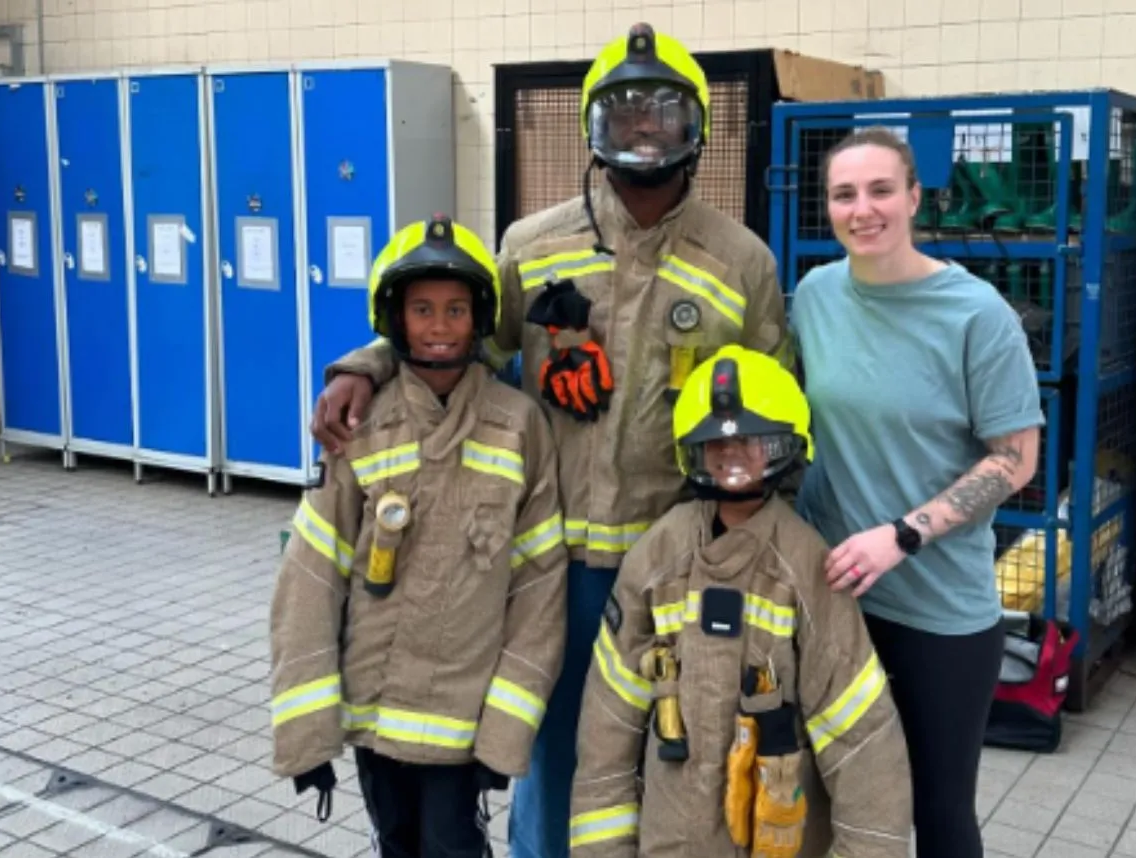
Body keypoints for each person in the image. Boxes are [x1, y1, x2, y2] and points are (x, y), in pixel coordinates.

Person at [309, 23, 791, 858]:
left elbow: (774, 411)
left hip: (677, 564)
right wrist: (365, 363)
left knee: (681, 758)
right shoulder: (532, 247)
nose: (643, 132)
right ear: (594, 130)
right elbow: (456, 337)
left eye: (662, 115)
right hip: (550, 571)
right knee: (555, 766)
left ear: (696, 130)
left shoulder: (741, 261)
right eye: (624, 115)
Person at [268, 214, 568, 858]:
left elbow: (540, 592)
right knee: (396, 843)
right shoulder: (361, 424)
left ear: (480, 317)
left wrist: (503, 738)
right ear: (394, 318)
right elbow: (310, 579)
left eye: (456, 309)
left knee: (452, 846)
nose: (438, 326)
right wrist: (308, 735)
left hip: (465, 726)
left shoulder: (519, 428)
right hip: (377, 720)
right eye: (422, 308)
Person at [790, 126, 1045, 858]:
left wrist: (902, 535)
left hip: (938, 612)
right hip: (834, 598)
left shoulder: (976, 315)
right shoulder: (815, 296)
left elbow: (1015, 459)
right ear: (828, 207)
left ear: (914, 198)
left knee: (937, 810)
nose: (862, 209)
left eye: (879, 191)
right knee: (831, 799)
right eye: (844, 194)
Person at [567, 344, 912, 858]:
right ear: (693, 450)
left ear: (785, 446)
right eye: (715, 443)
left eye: (751, 441)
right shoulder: (657, 557)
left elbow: (862, 746)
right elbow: (606, 735)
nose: (731, 456)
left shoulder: (808, 568)